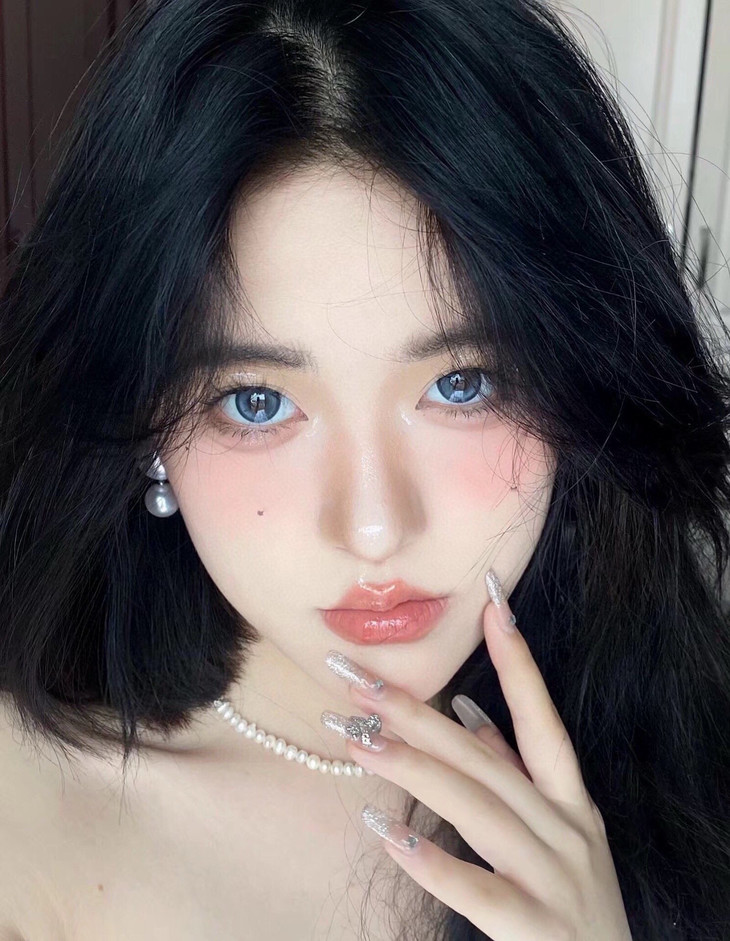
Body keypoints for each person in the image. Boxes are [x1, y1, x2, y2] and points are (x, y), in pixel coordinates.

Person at [0, 0, 727, 938]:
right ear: (144, 427)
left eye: (463, 384)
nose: (375, 527)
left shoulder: (697, 758)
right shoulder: (25, 819)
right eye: (256, 402)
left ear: (580, 388)